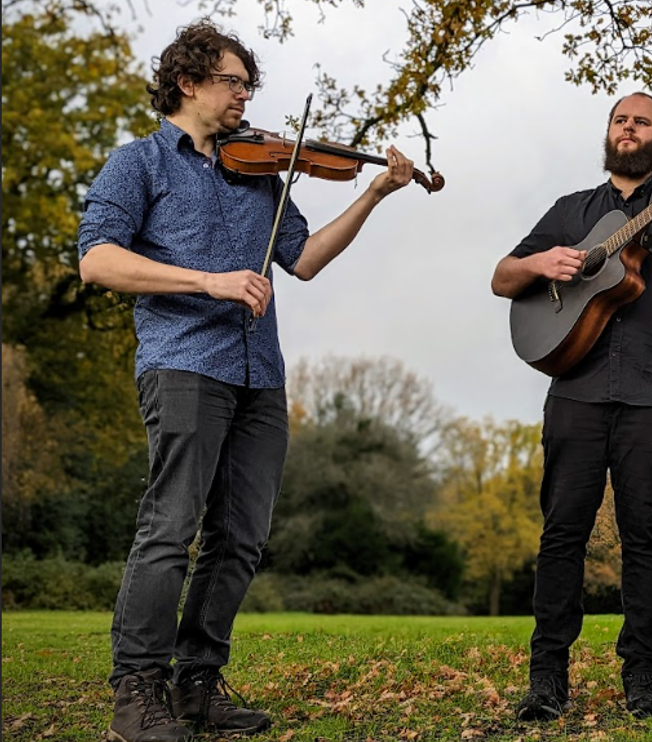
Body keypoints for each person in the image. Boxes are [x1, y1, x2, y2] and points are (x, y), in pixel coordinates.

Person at [76, 20, 414, 742]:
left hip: (260, 373)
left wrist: (377, 193)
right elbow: (97, 262)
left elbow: (307, 257)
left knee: (241, 537)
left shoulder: (257, 170)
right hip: (184, 362)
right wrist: (210, 281)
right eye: (232, 81)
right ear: (188, 83)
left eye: (248, 84)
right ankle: (137, 693)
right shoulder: (138, 165)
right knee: (170, 529)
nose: (245, 95)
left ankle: (198, 686)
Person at [491, 92, 652, 720]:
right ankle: (547, 680)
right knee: (561, 535)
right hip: (574, 387)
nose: (629, 128)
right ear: (610, 133)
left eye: (643, 122)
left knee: (645, 537)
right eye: (620, 120)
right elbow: (502, 278)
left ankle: (643, 678)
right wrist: (538, 262)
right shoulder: (571, 209)